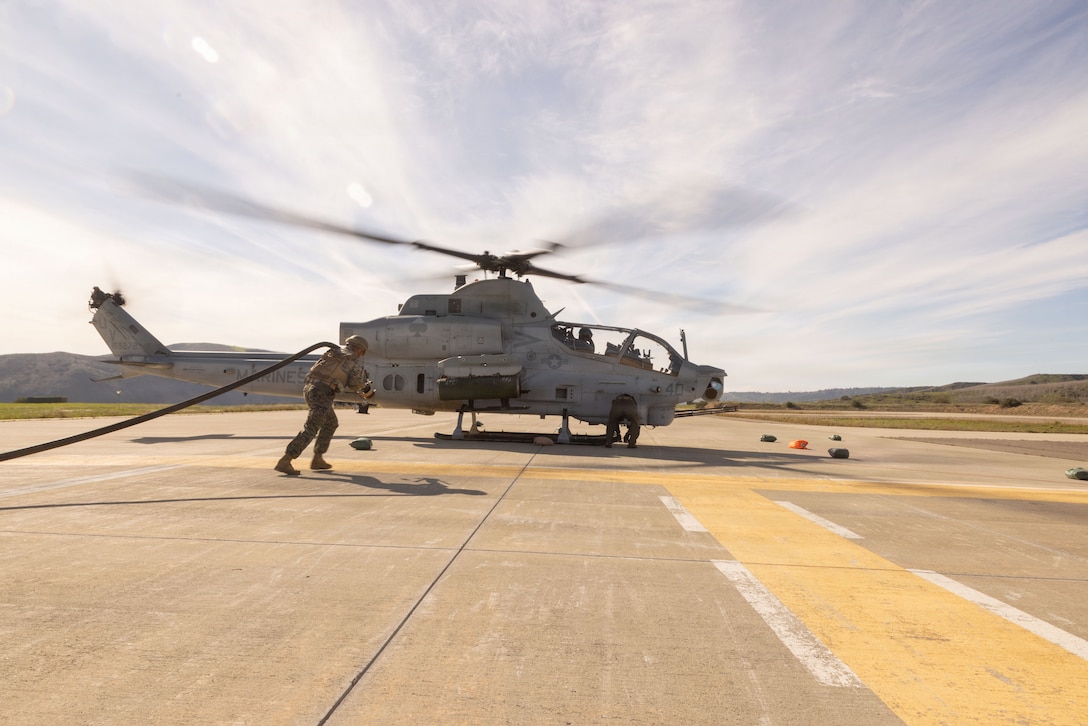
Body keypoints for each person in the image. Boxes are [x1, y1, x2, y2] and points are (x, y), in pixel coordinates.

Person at [275, 335, 372, 475]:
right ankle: (285, 460)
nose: (361, 354)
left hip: (310, 389)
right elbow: (354, 384)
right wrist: (365, 388)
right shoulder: (352, 360)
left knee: (331, 423)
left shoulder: (333, 352)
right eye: (362, 352)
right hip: (322, 393)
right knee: (311, 428)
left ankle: (317, 459)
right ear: (359, 349)